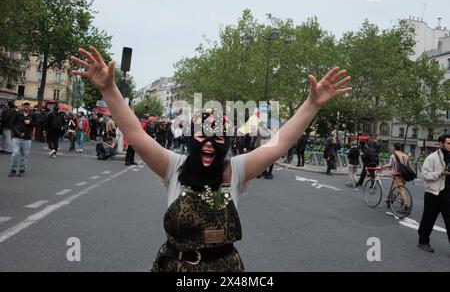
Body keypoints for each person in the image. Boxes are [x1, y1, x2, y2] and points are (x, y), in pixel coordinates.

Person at [70, 45, 351, 272]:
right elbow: (135, 132)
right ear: (191, 139)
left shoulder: (236, 170)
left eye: (217, 137)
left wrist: (312, 103)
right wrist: (109, 90)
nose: (208, 144)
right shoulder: (173, 166)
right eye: (202, 135)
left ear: (226, 143)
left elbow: (279, 144)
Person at [417, 134, 450, 253]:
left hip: (448, 193)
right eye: (448, 143)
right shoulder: (432, 157)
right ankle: (423, 241)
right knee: (428, 219)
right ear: (441, 144)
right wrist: (440, 174)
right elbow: (424, 176)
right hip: (433, 193)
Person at [8, 102, 36, 177]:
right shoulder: (17, 113)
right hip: (17, 137)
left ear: (29, 106)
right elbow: (11, 124)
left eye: (28, 105)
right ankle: (13, 170)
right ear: (22, 106)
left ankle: (22, 170)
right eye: (25, 105)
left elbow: (37, 124)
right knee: (15, 154)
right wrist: (18, 133)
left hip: (27, 138)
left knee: (25, 155)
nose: (26, 106)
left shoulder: (32, 114)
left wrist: (30, 122)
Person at [382, 143, 410, 212]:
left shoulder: (393, 155)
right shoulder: (405, 155)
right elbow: (409, 166)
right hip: (405, 174)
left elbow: (390, 165)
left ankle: (406, 205)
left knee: (401, 189)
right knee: (400, 188)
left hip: (398, 174)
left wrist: (383, 166)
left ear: (394, 148)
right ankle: (391, 200)